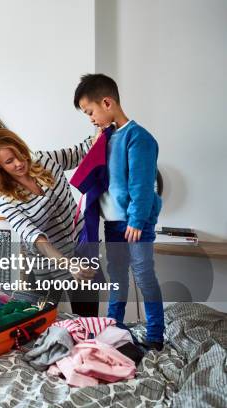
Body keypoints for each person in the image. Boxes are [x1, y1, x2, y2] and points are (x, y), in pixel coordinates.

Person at [74, 73, 164, 350]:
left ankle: (155, 334)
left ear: (107, 102)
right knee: (117, 277)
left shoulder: (139, 138)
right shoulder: (106, 138)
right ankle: (113, 326)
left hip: (135, 222)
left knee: (143, 274)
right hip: (112, 223)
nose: (90, 118)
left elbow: (142, 184)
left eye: (90, 112)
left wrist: (136, 220)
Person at [0, 127, 100, 316]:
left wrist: (101, 130)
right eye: (9, 161)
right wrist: (68, 264)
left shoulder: (45, 160)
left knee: (88, 318)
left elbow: (80, 152)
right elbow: (34, 236)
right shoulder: (4, 198)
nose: (20, 163)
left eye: (20, 155)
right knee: (38, 322)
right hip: (46, 266)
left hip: (81, 250)